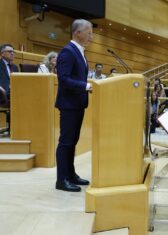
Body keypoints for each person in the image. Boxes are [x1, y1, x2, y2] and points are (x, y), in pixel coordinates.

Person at [55, 19, 93, 192]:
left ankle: (71, 174)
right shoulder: (68, 52)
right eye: (88, 32)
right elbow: (63, 79)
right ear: (77, 32)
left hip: (77, 103)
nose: (91, 36)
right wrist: (85, 86)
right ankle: (61, 180)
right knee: (66, 142)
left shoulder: (80, 52)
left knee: (72, 142)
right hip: (69, 104)